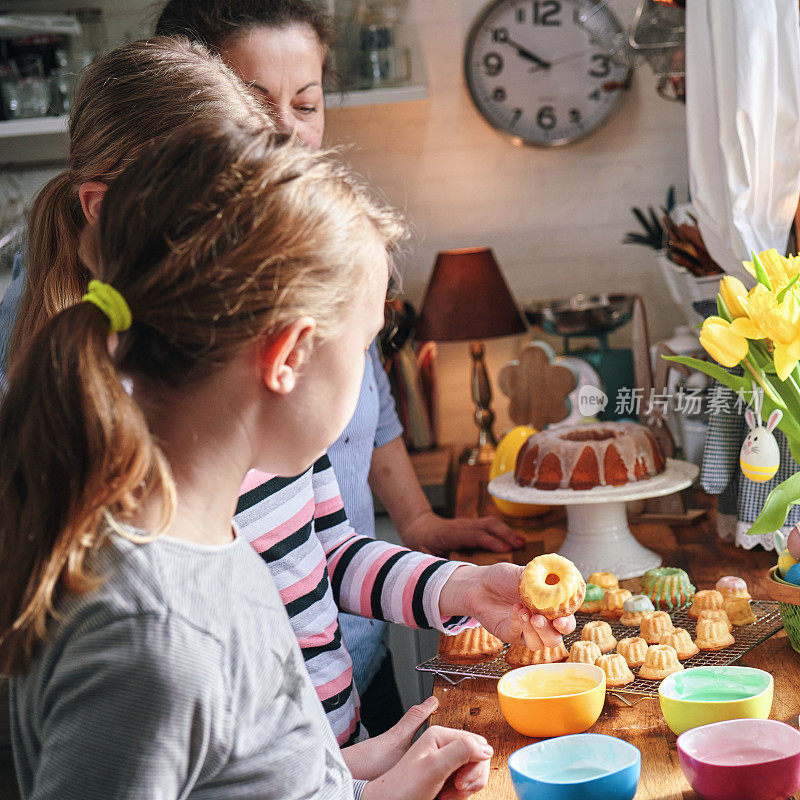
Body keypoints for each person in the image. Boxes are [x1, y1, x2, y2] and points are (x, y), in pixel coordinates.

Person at [0, 35, 573, 751]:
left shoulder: (267, 420)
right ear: (107, 210)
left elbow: (328, 558)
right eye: (219, 205)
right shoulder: (116, 450)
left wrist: (459, 589)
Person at [154, 0, 523, 734]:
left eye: (308, 102)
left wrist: (461, 583)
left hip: (343, 718)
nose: (288, 129)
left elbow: (328, 552)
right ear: (287, 356)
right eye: (359, 352)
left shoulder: (292, 447)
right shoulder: (172, 549)